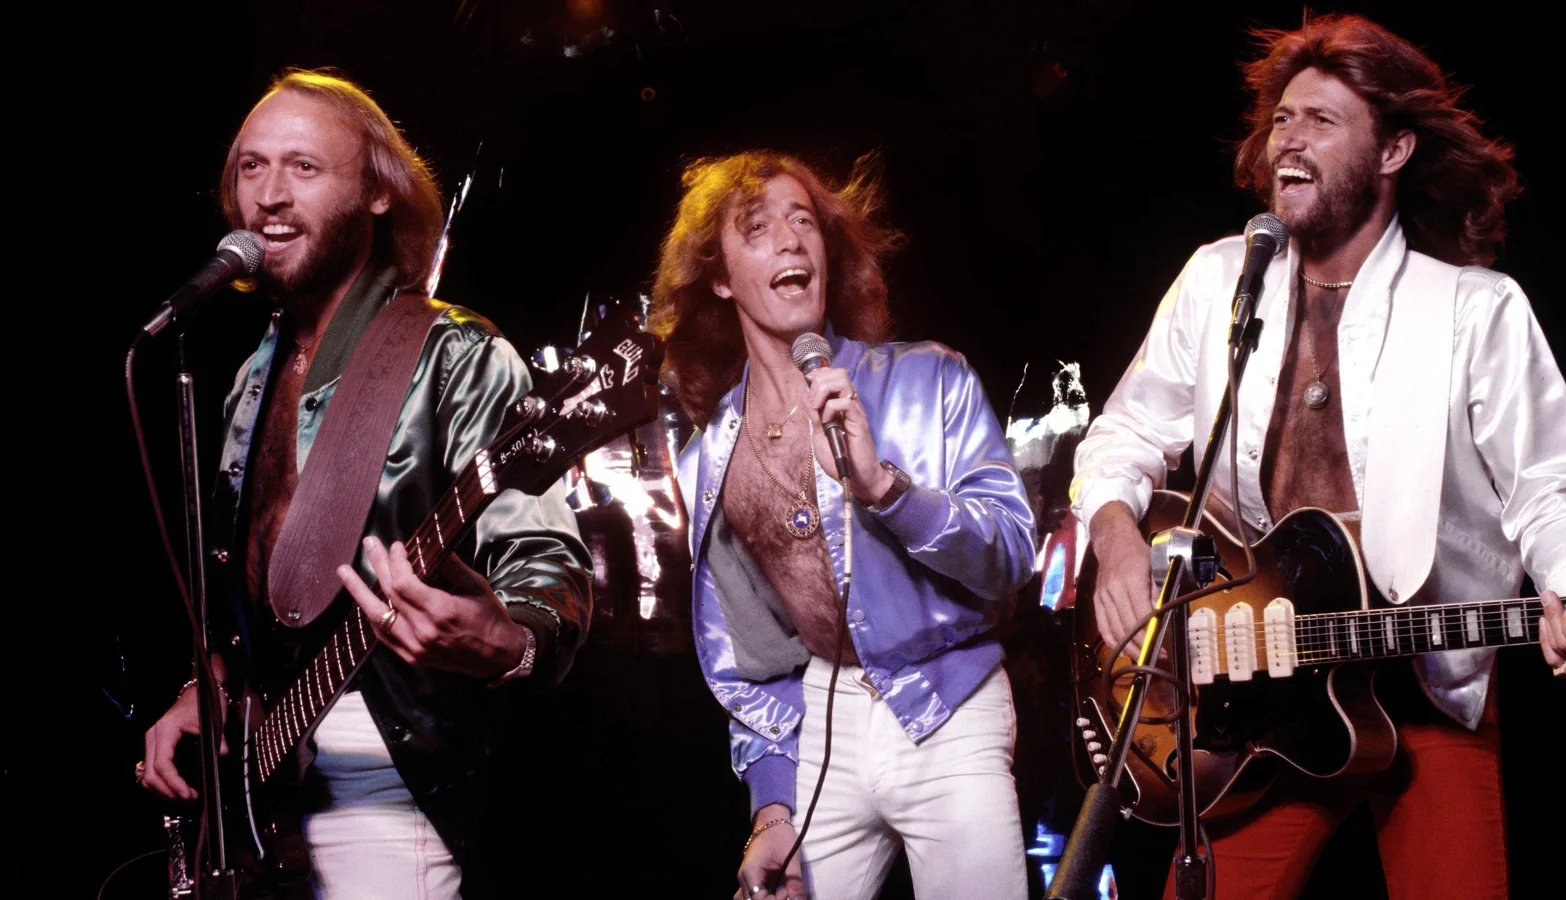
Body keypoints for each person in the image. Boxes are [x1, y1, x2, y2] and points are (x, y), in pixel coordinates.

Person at [1070, 15, 1566, 899]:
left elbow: (1552, 489)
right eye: (1282, 119)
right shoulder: (1219, 280)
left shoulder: (1473, 309)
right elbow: (1125, 434)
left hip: (1426, 681)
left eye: (1321, 120)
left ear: (1393, 151)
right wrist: (1115, 542)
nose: (1287, 139)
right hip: (1260, 689)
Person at [137, 69, 592, 898]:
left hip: (387, 776)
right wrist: (207, 687)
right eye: (252, 166)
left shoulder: (454, 356)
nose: (269, 196)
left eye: (304, 167)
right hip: (270, 782)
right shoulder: (250, 378)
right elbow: (248, 598)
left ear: (378, 193)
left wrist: (512, 640)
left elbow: (544, 557)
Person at [652, 152, 1035, 900]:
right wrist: (772, 809)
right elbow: (752, 659)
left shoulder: (930, 378)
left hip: (949, 704)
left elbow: (1012, 553)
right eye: (757, 229)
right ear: (720, 278)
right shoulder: (708, 462)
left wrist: (884, 488)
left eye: (804, 221)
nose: (790, 240)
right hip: (827, 718)